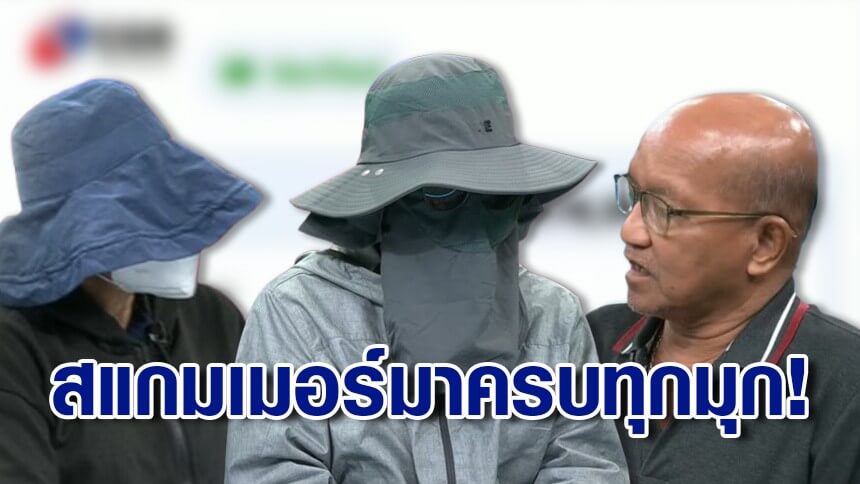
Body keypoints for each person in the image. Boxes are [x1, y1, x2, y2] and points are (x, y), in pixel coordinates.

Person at [226, 54, 628, 484]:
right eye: (444, 194)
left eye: (494, 192)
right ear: (389, 200)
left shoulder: (553, 314)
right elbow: (273, 472)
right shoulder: (299, 313)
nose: (473, 210)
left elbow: (586, 466)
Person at [588, 93, 860, 483]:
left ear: (765, 244)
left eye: (664, 210)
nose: (630, 231)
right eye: (633, 195)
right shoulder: (590, 341)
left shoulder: (844, 387)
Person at [0, 79, 261, 484]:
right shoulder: (16, 347)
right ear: (70, 234)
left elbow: (266, 456)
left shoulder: (213, 317)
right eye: (140, 217)